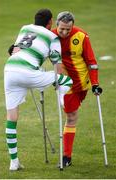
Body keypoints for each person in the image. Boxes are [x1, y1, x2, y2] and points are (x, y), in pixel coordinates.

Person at [4, 9, 72, 171]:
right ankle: (62, 99)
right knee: (66, 80)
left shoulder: (24, 28)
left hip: (10, 70)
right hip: (28, 72)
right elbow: (57, 66)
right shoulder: (52, 37)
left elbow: (15, 49)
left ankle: (14, 162)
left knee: (11, 117)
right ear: (50, 22)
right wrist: (58, 82)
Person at [52, 11, 102, 167]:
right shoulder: (51, 36)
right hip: (66, 85)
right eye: (62, 29)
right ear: (56, 25)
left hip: (83, 83)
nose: (65, 32)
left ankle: (66, 156)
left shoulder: (81, 36)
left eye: (68, 29)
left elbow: (91, 61)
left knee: (72, 115)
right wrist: (16, 48)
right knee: (72, 116)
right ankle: (66, 156)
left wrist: (95, 83)